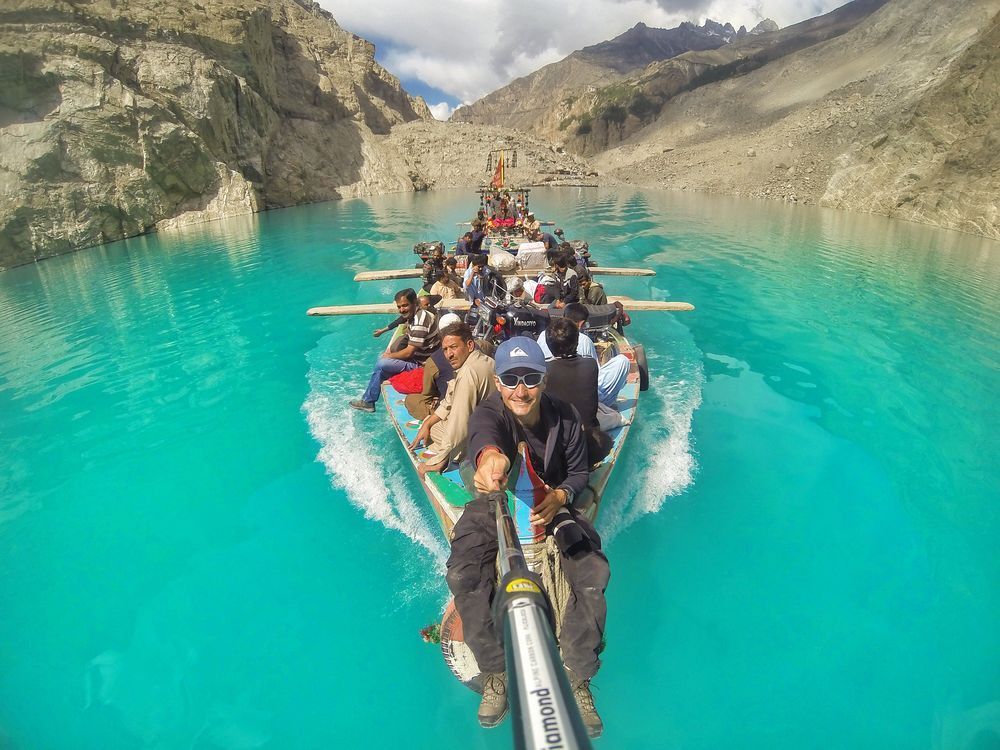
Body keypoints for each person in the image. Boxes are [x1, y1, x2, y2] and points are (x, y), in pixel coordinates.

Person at [446, 337, 609, 737]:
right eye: (511, 379)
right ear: (498, 383)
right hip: (496, 503)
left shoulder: (566, 417)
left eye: (531, 379)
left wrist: (562, 495)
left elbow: (578, 472)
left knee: (591, 572)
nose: (521, 390)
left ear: (544, 379)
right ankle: (495, 671)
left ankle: (577, 673)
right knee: (464, 574)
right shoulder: (490, 413)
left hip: (550, 505)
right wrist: (488, 461)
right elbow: (486, 442)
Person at [410, 322, 496, 476]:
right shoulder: (486, 361)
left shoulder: (467, 373)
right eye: (445, 349)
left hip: (476, 442)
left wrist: (438, 461)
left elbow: (459, 424)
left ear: (469, 345)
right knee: (431, 421)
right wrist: (429, 421)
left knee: (436, 428)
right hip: (493, 433)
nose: (449, 354)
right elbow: (450, 399)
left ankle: (453, 454)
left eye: (453, 347)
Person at [350, 288, 438, 413]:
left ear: (414, 302)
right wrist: (383, 331)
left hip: (422, 364)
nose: (402, 310)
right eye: (399, 307)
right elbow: (401, 319)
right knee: (384, 362)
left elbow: (409, 352)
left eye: (405, 305)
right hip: (421, 357)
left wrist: (389, 356)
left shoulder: (420, 321)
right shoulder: (418, 313)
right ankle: (369, 400)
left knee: (382, 363)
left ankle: (368, 401)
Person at [543, 317, 613, 465]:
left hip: (557, 443)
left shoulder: (543, 371)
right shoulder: (590, 364)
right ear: (577, 341)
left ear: (549, 344)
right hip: (589, 440)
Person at [537, 303, 629, 408]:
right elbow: (594, 376)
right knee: (623, 361)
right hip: (582, 400)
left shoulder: (544, 334)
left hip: (549, 394)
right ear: (581, 324)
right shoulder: (584, 340)